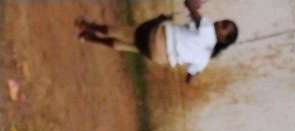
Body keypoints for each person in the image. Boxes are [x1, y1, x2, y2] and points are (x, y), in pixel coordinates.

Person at [76, 1, 238, 82]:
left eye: (224, 26)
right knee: (130, 45)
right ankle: (91, 38)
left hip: (158, 38)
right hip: (159, 57)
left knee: (126, 32)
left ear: (223, 39)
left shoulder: (207, 28)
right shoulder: (205, 60)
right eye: (223, 21)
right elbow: (189, 77)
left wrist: (196, 3)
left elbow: (188, 3)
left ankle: (87, 26)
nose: (219, 23)